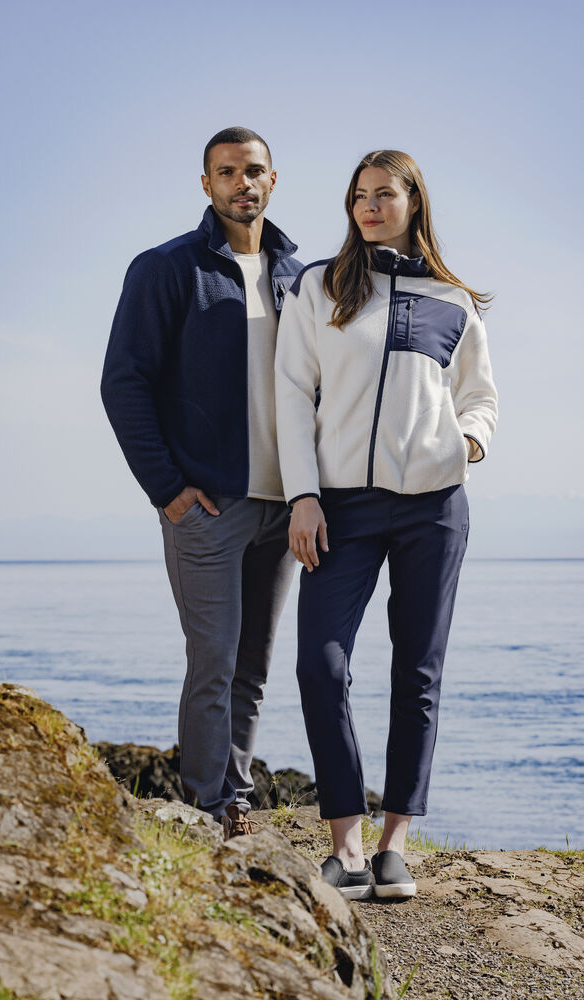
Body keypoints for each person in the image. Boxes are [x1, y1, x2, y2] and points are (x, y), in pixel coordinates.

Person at [275, 149, 498, 898]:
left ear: (413, 202)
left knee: (418, 670)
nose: (369, 207)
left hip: (434, 506)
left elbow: (480, 397)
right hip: (340, 506)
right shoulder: (321, 286)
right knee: (320, 664)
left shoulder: (452, 301)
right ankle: (345, 845)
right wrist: (302, 496)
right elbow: (290, 393)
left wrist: (465, 444)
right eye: (358, 196)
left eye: (384, 194)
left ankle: (394, 843)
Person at [101, 126, 301, 838]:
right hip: (208, 506)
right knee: (212, 662)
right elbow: (124, 383)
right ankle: (206, 808)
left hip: (285, 505)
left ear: (272, 179)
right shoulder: (165, 268)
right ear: (207, 184)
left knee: (253, 666)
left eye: (254, 171)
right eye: (227, 172)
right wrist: (168, 489)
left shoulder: (299, 276)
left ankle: (234, 799)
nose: (242, 183)